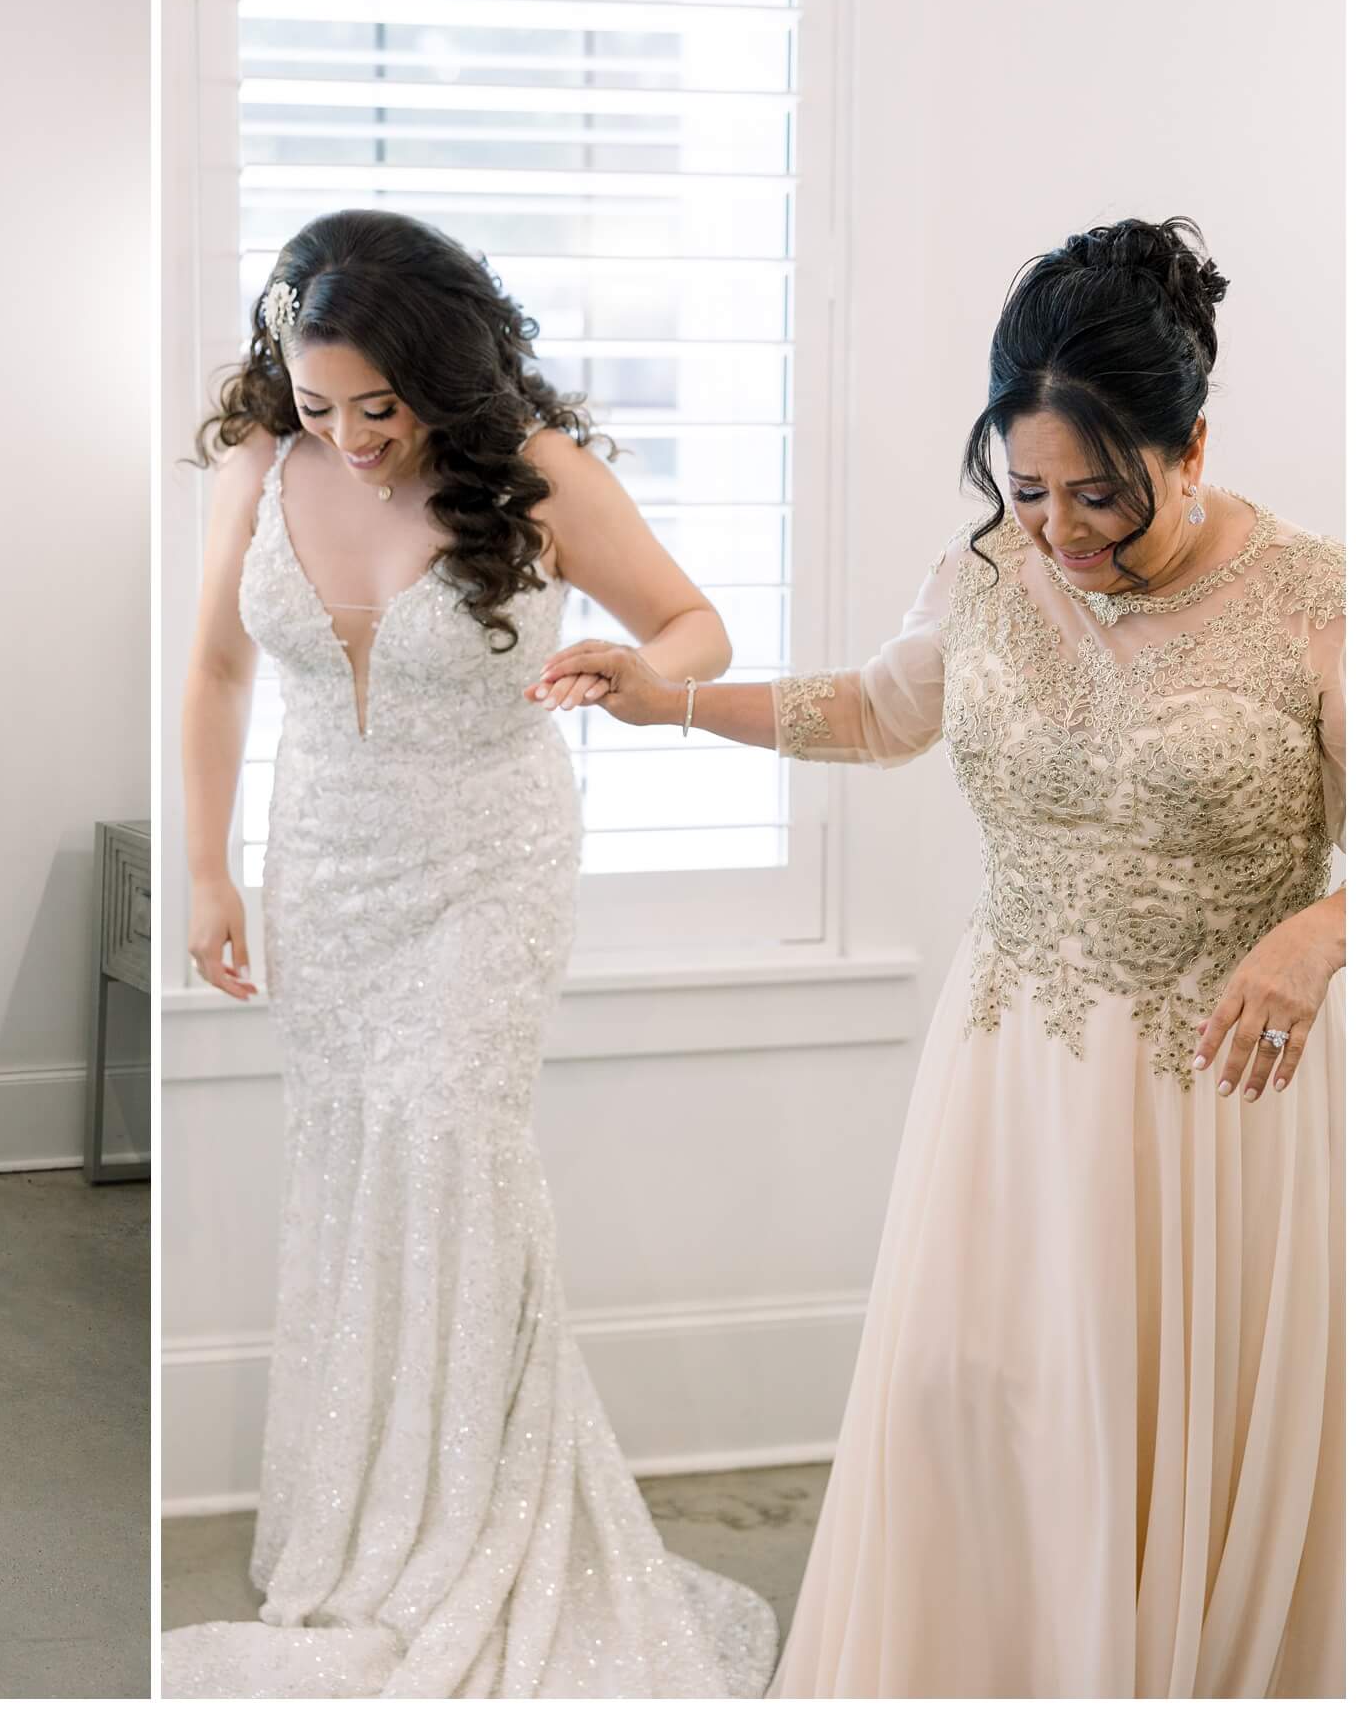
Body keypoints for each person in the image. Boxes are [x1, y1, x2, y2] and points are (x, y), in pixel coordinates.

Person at [548, 218, 1344, 1696]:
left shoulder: (1315, 601)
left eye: (1101, 492)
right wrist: (670, 704)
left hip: (1213, 1103)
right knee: (975, 1403)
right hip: (1013, 1078)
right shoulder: (989, 569)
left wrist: (1319, 928)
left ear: (1194, 442)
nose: (1061, 529)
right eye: (1028, 487)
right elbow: (874, 709)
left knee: (1169, 1421)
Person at [164, 209, 777, 1697]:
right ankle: (366, 1519)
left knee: (454, 1155)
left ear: (443, 371)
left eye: (381, 404)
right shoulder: (260, 466)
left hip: (485, 874)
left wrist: (641, 675)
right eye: (321, 404)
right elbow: (215, 665)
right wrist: (204, 866)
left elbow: (696, 623)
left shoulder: (539, 473)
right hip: (326, 863)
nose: (352, 434)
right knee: (353, 1163)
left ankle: (473, 1528)